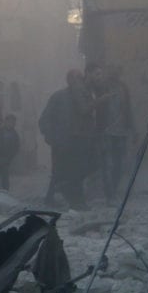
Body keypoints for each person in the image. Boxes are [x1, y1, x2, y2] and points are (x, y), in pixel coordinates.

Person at [39, 69, 95, 210]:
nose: (79, 81)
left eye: (80, 78)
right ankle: (75, 201)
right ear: (69, 80)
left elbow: (89, 117)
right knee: (61, 171)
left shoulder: (85, 97)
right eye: (76, 78)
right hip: (62, 141)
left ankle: (67, 199)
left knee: (75, 171)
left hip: (80, 141)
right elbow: (45, 118)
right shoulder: (58, 97)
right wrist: (50, 136)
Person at [93, 62, 136, 204]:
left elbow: (128, 110)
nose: (116, 73)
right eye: (113, 71)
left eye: (118, 71)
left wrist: (132, 129)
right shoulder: (101, 87)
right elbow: (94, 105)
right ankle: (109, 195)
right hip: (105, 131)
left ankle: (114, 192)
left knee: (119, 164)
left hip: (121, 132)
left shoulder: (124, 87)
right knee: (106, 164)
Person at [0, 113, 20, 191]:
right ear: (5, 122)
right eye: (10, 122)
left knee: (5, 178)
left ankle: (5, 193)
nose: (11, 124)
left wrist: (9, 158)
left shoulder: (15, 135)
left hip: (6, 160)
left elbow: (16, 148)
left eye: (13, 122)